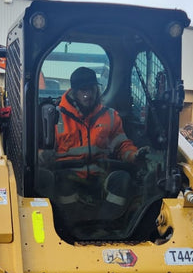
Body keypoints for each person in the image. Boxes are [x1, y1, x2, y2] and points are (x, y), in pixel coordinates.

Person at [52, 66, 144, 216]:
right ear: (74, 92)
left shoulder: (110, 116)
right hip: (69, 176)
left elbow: (122, 145)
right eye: (83, 90)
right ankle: (72, 222)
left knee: (122, 179)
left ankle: (107, 223)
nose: (88, 95)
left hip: (100, 176)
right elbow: (43, 152)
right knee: (61, 182)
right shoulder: (56, 117)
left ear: (97, 89)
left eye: (91, 89)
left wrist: (134, 155)